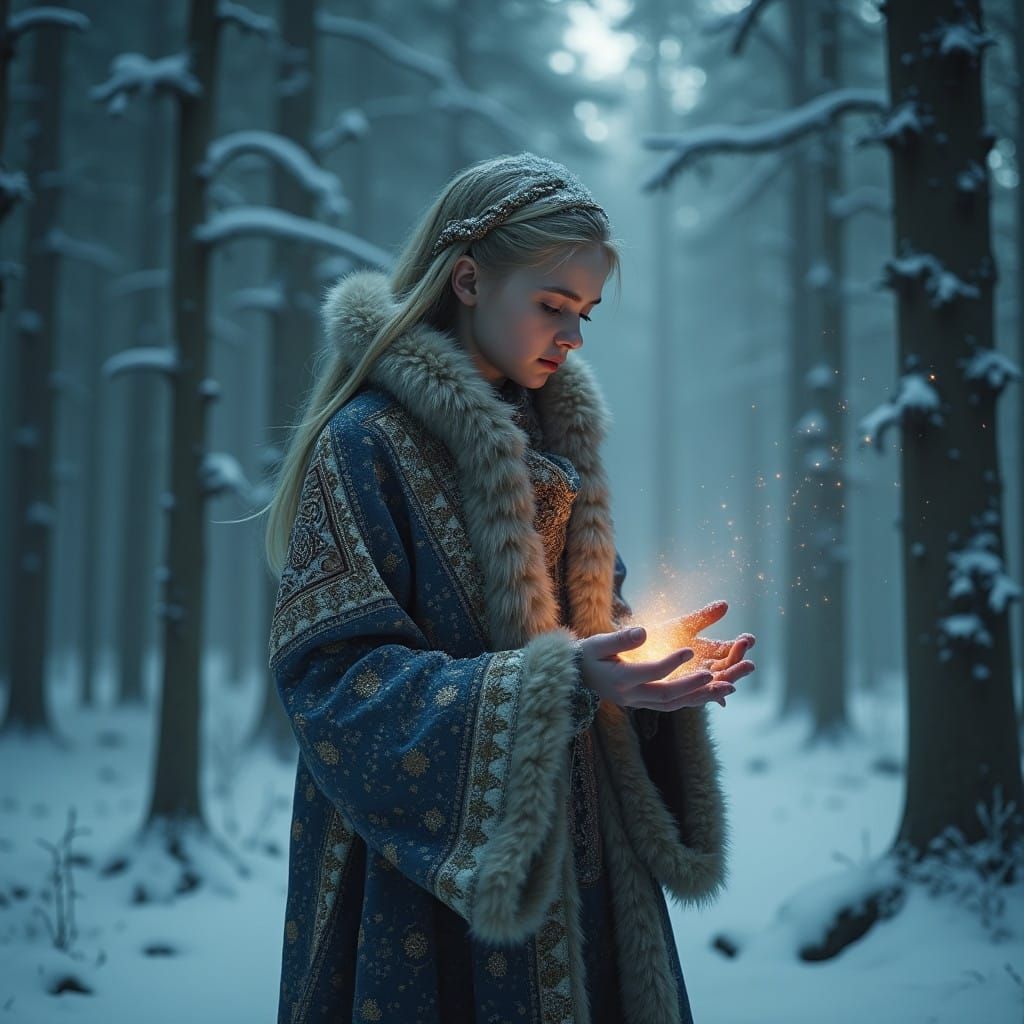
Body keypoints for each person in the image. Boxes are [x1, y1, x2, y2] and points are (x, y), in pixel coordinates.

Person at [264, 151, 756, 1024]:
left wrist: (646, 667)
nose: (572, 337)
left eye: (585, 314)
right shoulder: (362, 442)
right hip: (424, 885)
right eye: (553, 305)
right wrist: (555, 683)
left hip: (591, 869)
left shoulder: (558, 442)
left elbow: (592, 627)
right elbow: (333, 682)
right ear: (467, 281)